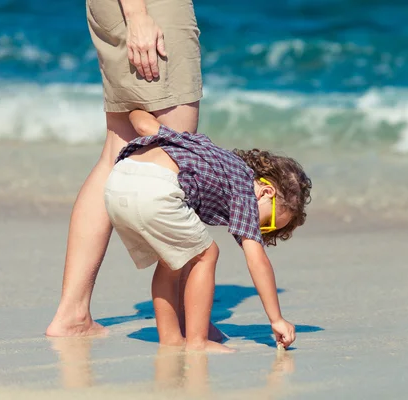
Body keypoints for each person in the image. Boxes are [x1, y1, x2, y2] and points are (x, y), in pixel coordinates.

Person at [46, 0, 203, 337]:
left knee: (116, 153)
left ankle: (73, 314)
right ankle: (185, 316)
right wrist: (138, 15)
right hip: (147, 8)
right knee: (178, 153)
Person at [103, 109, 312, 351]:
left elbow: (143, 125)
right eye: (268, 223)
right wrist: (276, 319)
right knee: (206, 254)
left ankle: (171, 337)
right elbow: (258, 262)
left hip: (116, 182)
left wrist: (135, 108)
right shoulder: (245, 186)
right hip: (156, 188)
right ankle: (197, 341)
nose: (259, 230)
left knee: (172, 261)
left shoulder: (205, 150)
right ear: (267, 192)